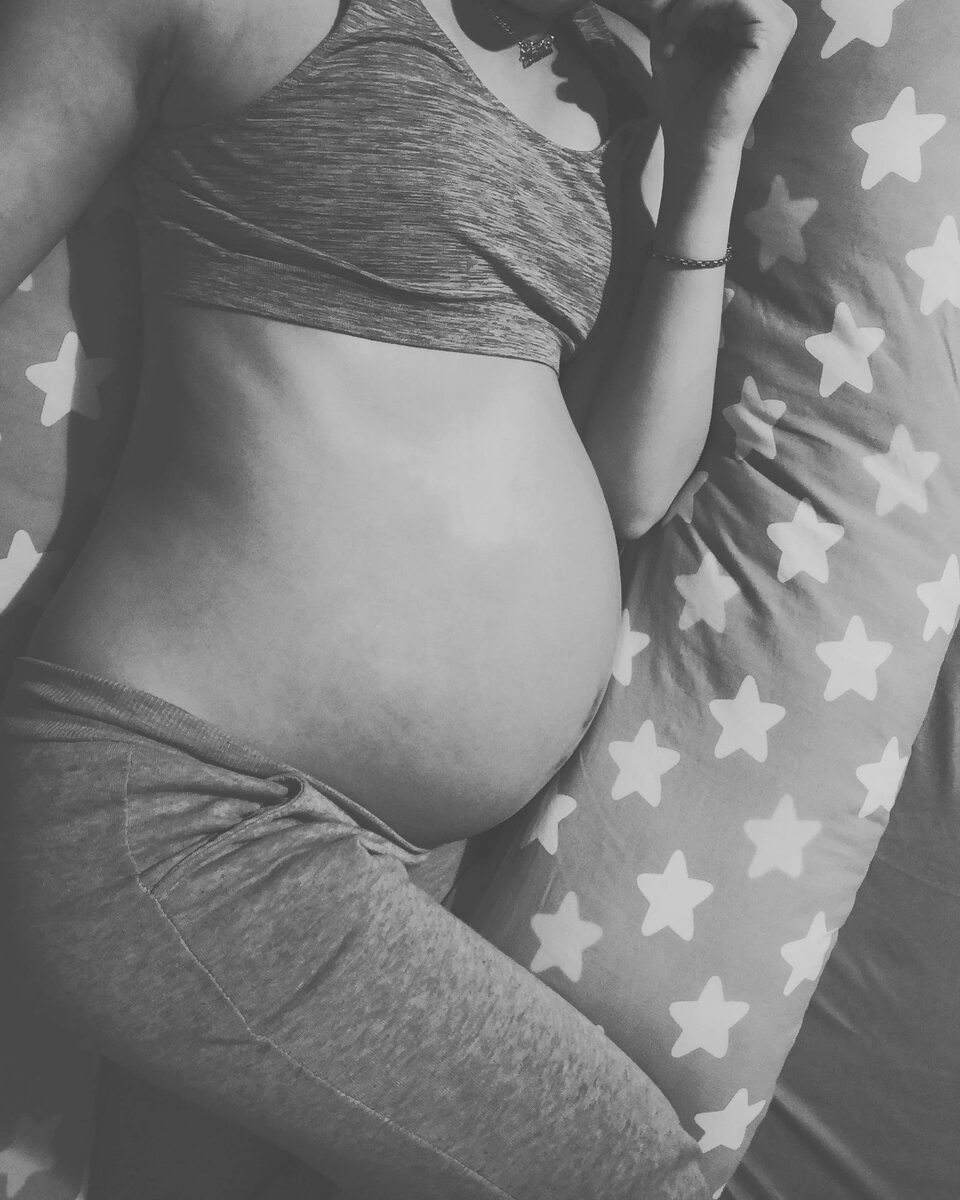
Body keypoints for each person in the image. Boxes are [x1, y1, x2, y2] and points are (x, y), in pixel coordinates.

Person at [0, 0, 795, 1195]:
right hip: (184, 805)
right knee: (632, 1180)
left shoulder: (619, 99)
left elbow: (634, 484)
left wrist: (708, 146)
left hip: (391, 855)